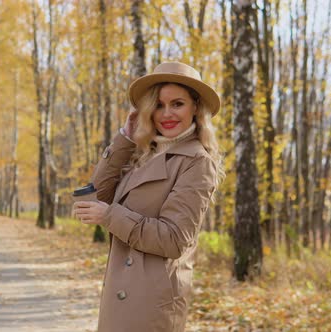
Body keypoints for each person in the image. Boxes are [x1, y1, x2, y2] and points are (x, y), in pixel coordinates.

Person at [73, 61, 224, 332]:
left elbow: (174, 239)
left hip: (151, 303)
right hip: (121, 295)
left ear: (196, 108)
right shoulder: (144, 153)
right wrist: (125, 139)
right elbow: (97, 195)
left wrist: (110, 216)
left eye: (177, 104)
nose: (166, 113)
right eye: (158, 104)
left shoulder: (197, 161)